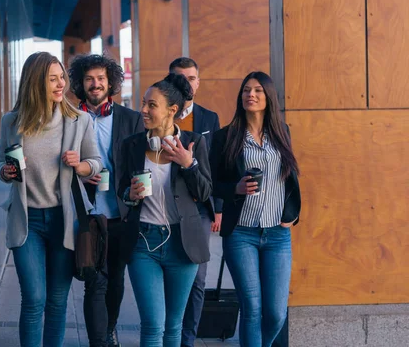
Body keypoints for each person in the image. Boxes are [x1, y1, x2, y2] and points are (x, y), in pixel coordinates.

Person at [0, 51, 102, 347]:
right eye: (52, 79)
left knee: (56, 301)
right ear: (34, 83)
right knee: (33, 299)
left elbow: (95, 162)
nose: (61, 84)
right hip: (27, 220)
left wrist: (79, 165)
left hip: (64, 220)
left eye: (62, 78)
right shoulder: (11, 121)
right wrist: (6, 171)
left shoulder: (78, 120)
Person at [117, 73, 212, 347]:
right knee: (152, 326)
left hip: (183, 244)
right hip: (143, 243)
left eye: (151, 105)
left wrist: (188, 163)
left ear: (172, 110)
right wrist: (130, 195)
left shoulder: (194, 143)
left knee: (173, 327)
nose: (143, 110)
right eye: (144, 103)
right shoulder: (132, 145)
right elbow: (123, 192)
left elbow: (205, 193)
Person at [209, 71, 301, 347]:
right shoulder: (226, 137)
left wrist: (293, 214)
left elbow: (292, 178)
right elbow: (211, 182)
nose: (251, 94)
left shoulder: (282, 132)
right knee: (252, 309)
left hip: (277, 235)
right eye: (247, 90)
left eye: (258, 90)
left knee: (275, 313)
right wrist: (234, 189)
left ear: (268, 96)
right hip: (241, 234)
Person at [68, 54, 144, 347]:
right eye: (89, 79)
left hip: (120, 213)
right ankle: (99, 342)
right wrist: (82, 176)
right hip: (86, 214)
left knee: (115, 279)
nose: (95, 84)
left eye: (100, 78)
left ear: (110, 82)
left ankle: (110, 329)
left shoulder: (131, 118)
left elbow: (140, 165)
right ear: (81, 83)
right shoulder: (71, 117)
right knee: (94, 282)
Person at [168, 57, 223, 347]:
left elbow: (216, 164)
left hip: (199, 205)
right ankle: (168, 334)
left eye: (191, 78)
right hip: (165, 207)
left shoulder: (208, 118)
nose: (185, 83)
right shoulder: (159, 115)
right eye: (179, 77)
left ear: (198, 83)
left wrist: (219, 208)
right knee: (168, 276)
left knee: (197, 278)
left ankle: (186, 339)